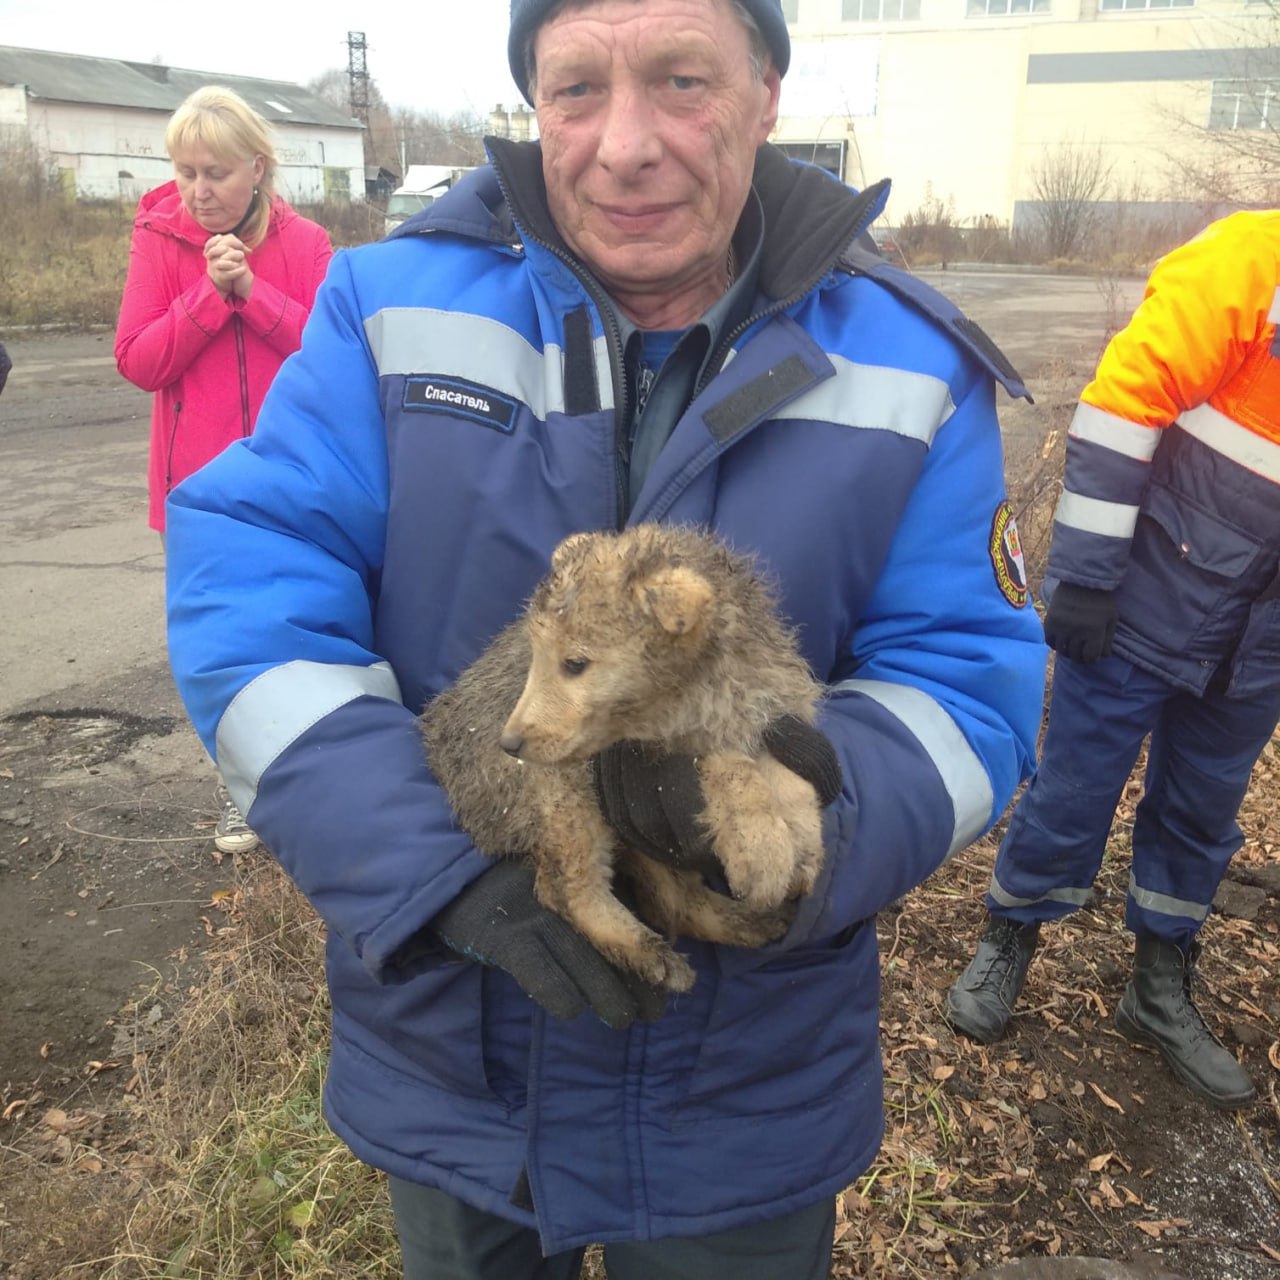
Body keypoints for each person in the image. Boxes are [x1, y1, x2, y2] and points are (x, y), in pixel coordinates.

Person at [164, 0, 1046, 1274]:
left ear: (765, 95)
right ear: (533, 101)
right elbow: (253, 604)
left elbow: (965, 684)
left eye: (681, 80)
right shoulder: (385, 304)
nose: (621, 143)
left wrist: (791, 820)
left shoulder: (912, 364)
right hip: (454, 1059)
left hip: (743, 1089)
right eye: (575, 88)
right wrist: (436, 874)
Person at [946, 209, 1280, 1111]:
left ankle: (1157, 985)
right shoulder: (1254, 261)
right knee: (1076, 785)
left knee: (1202, 812)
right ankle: (1011, 934)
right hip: (1144, 601)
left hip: (1259, 647)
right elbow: (1124, 404)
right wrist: (1087, 582)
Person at [115, 84, 333, 856]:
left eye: (215, 172)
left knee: (300, 636)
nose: (198, 191)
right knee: (217, 648)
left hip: (291, 481)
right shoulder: (158, 238)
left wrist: (254, 294)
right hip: (196, 493)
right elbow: (139, 361)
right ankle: (239, 789)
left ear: (258, 171)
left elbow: (330, 354)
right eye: (185, 172)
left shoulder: (307, 245)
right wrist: (209, 296)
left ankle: (308, 785)